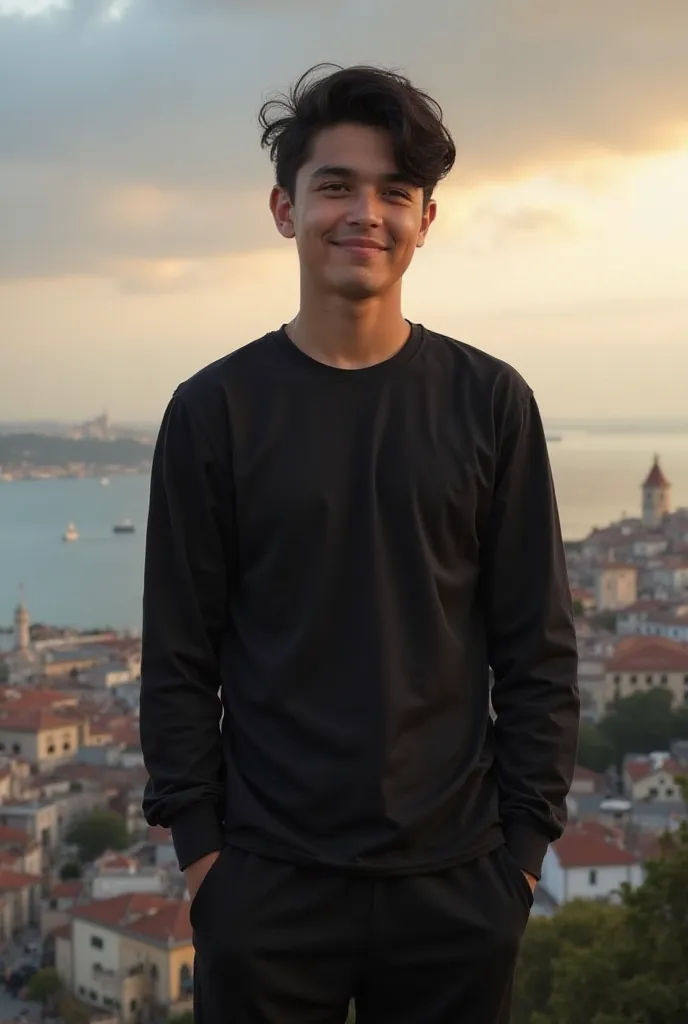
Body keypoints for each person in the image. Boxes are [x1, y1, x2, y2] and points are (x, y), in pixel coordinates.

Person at [139, 63, 580, 1024]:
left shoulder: (491, 402)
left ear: (426, 219)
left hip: (460, 885)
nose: (364, 212)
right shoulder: (214, 411)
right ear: (283, 208)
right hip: (265, 883)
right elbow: (177, 655)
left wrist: (521, 861)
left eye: (395, 191)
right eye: (335, 184)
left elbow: (537, 647)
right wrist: (206, 859)